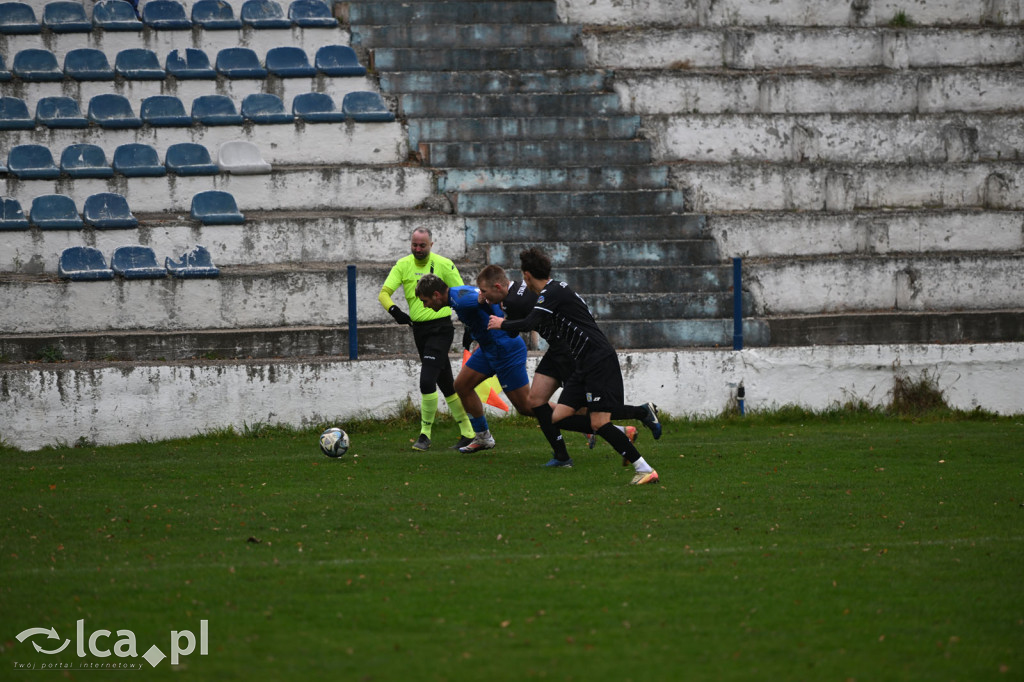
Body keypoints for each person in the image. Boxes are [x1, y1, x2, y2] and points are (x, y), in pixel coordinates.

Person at [487, 248, 660, 485]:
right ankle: (627, 428)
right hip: (581, 361)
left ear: (526, 276)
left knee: (599, 420)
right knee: (558, 417)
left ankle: (645, 468)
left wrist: (502, 323)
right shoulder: (549, 293)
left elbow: (530, 322)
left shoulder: (552, 292)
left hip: (597, 358)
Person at [378, 228, 475, 451]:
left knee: (426, 380)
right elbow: (384, 293)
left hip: (441, 329)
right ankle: (469, 432)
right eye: (414, 245)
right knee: (446, 384)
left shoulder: (444, 264)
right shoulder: (403, 265)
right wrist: (396, 312)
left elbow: (462, 293)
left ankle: (425, 435)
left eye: (422, 245)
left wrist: (469, 325)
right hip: (419, 330)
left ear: (432, 244)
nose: (418, 249)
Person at [415, 273, 535, 454]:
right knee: (462, 386)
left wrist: (497, 321)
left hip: (505, 349)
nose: (425, 305)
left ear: (436, 295)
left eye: (425, 301)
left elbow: (489, 300)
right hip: (488, 349)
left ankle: (575, 418)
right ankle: (483, 437)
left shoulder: (462, 300)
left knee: (527, 407)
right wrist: (478, 335)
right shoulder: (456, 295)